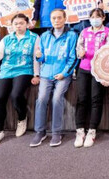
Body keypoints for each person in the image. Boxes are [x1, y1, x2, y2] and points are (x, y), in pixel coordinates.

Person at [0, 13, 40, 146]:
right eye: (16, 24)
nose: (18, 26)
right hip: (6, 71)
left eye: (21, 23)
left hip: (24, 70)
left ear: (27, 24)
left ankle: (22, 118)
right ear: (12, 25)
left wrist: (36, 75)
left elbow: (36, 57)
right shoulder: (6, 39)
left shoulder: (34, 37)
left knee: (16, 95)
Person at [30, 9, 77, 147]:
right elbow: (41, 57)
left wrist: (64, 73)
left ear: (64, 18)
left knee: (57, 98)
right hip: (46, 74)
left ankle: (56, 132)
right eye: (53, 18)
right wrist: (39, 56)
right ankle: (40, 131)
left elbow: (73, 58)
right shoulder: (44, 36)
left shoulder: (72, 35)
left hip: (63, 75)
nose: (56, 21)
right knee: (42, 99)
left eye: (59, 18)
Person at [74, 8, 109, 148]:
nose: (95, 19)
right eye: (92, 17)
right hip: (84, 68)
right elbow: (78, 48)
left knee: (96, 99)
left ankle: (92, 130)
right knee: (81, 99)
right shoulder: (84, 32)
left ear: (103, 18)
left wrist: (106, 73)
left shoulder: (108, 32)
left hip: (99, 70)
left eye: (98, 16)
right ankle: (80, 130)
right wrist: (80, 52)